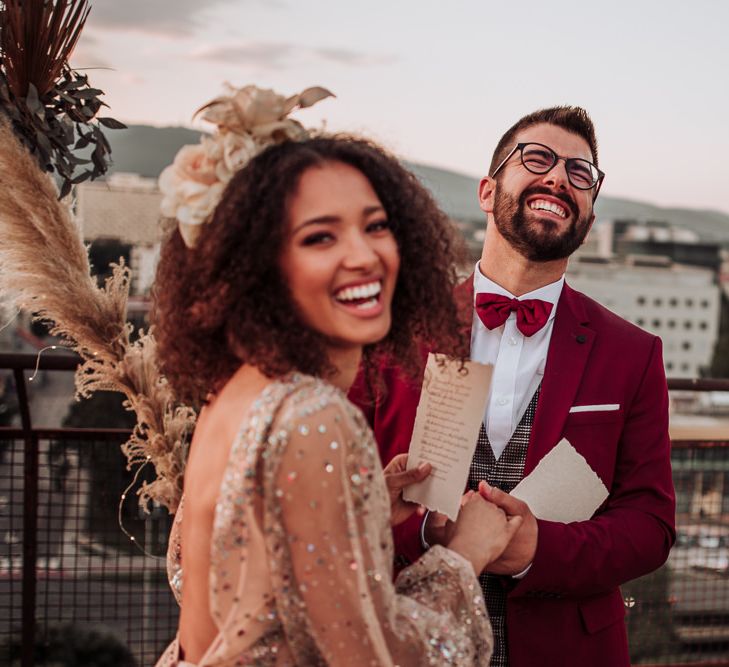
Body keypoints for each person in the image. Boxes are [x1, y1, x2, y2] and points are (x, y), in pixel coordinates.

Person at [152, 122, 523, 665]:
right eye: (320, 237)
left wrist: (364, 506)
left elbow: (205, 574)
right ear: (258, 265)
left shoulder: (237, 392)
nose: (364, 255)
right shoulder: (314, 417)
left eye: (375, 226)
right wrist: (464, 556)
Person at [349, 106, 676, 667]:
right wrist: (426, 530)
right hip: (409, 636)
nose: (557, 178)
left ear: (590, 217)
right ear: (487, 190)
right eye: (537, 158)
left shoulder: (634, 353)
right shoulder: (387, 333)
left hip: (569, 649)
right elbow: (342, 496)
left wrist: (536, 551)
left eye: (580, 173)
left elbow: (650, 524)